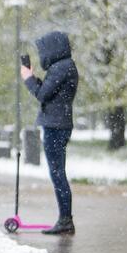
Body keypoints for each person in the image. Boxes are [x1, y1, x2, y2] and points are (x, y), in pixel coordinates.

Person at [20, 31, 79, 235]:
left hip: (56, 126)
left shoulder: (61, 68)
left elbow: (42, 94)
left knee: (57, 173)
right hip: (58, 124)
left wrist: (28, 78)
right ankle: (65, 219)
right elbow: (48, 92)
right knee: (57, 172)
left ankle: (65, 220)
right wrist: (34, 77)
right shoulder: (64, 67)